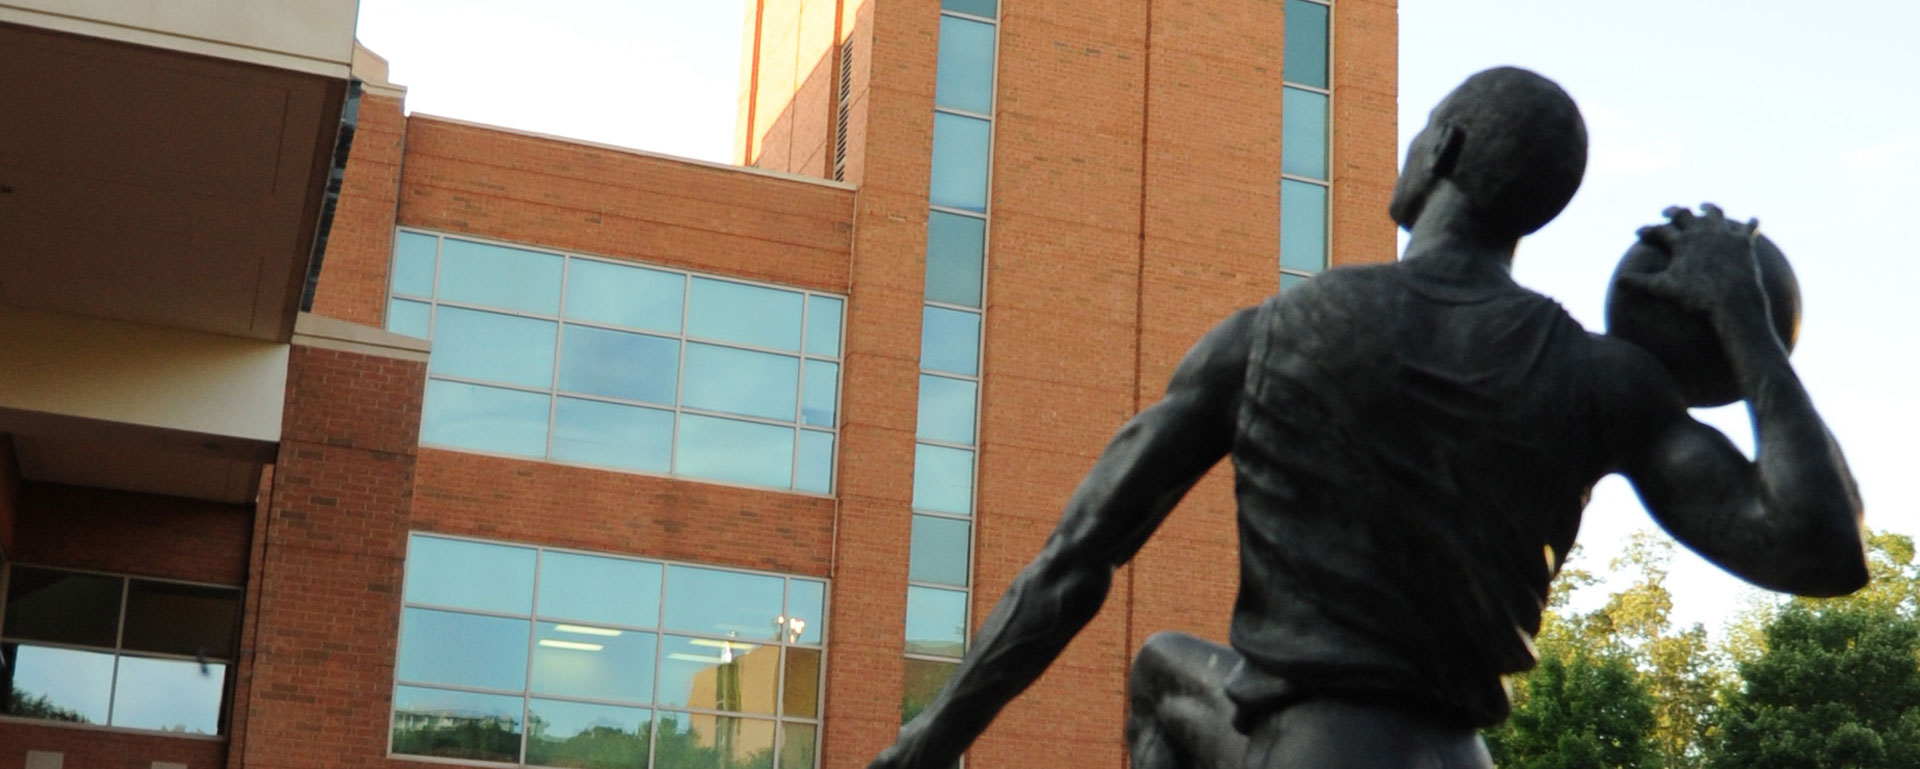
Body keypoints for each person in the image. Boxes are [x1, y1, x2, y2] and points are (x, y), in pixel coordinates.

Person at [868, 66, 1867, 769]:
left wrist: (937, 734)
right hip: (1458, 752)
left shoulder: (1272, 334)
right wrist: (1746, 323)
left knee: (1158, 671)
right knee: (1166, 668)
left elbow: (1074, 560)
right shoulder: (1603, 383)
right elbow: (1822, 547)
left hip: (1309, 747)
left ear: (1447, 144)